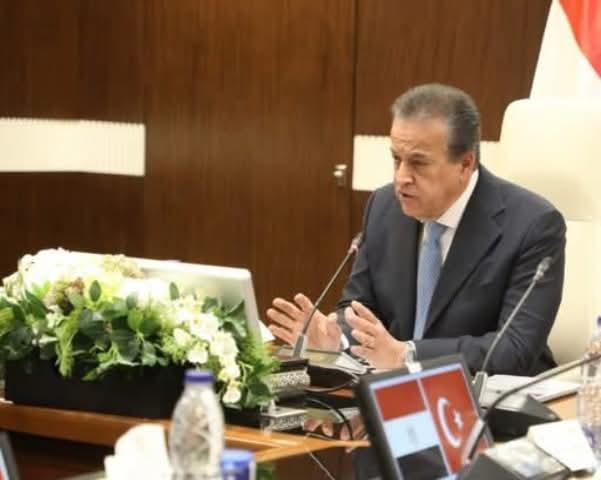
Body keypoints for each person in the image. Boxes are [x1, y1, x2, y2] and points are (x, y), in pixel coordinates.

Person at [267, 83, 566, 376]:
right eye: (396, 159)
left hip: (493, 395)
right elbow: (359, 306)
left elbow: (515, 348)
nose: (401, 178)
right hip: (395, 388)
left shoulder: (533, 225)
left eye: (418, 163)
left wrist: (407, 354)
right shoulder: (384, 206)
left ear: (465, 164)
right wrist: (337, 340)